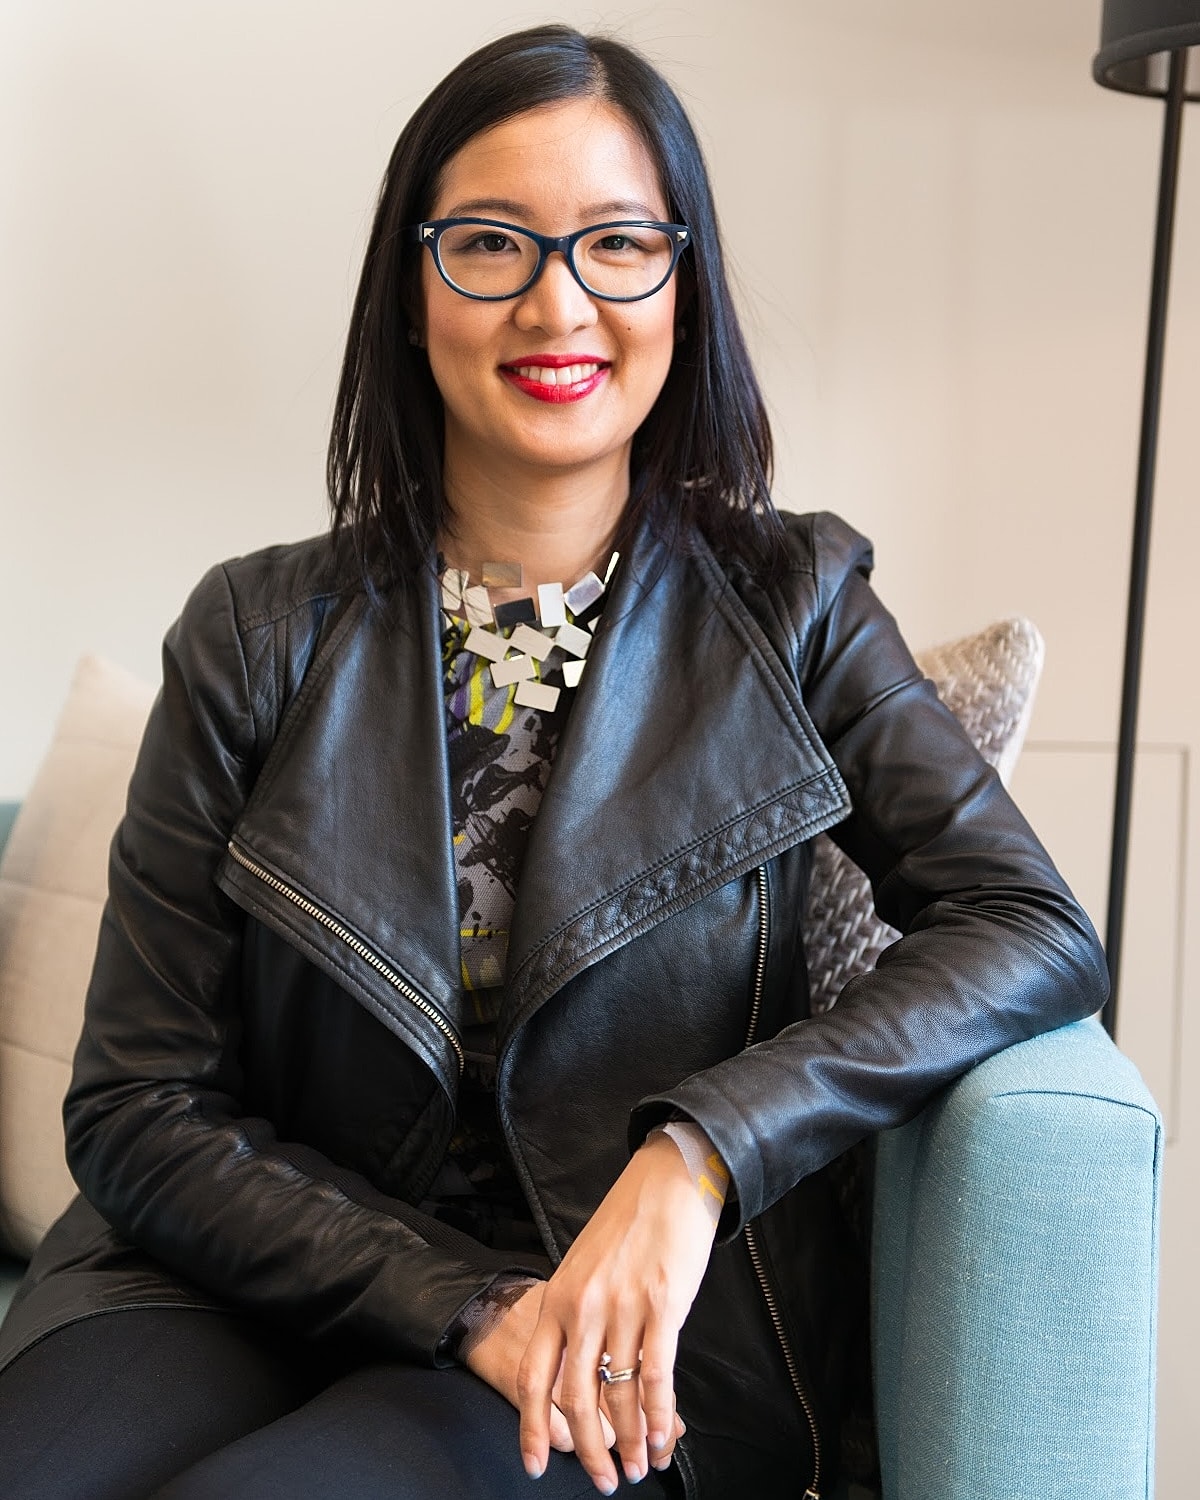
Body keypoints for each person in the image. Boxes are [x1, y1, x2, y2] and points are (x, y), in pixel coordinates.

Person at [0, 23, 1106, 1500]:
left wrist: (703, 1148)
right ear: (412, 287)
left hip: (602, 1330)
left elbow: (1028, 925)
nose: (556, 300)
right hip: (224, 1276)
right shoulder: (253, 632)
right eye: (491, 245)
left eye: (616, 244)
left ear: (682, 282)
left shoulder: (799, 605)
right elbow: (137, 1108)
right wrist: (456, 1303)